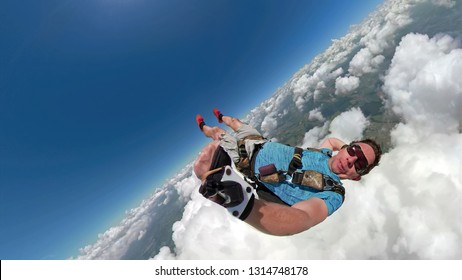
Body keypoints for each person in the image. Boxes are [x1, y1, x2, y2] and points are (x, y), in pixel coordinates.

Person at [194, 109, 382, 236]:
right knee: (234, 122)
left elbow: (304, 218)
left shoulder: (333, 194)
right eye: (353, 151)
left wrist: (239, 202)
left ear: (356, 177)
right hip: (260, 141)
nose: (351, 160)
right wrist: (349, 150)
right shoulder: (324, 153)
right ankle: (221, 116)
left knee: (218, 134)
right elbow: (332, 141)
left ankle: (204, 127)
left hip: (246, 160)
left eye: (360, 164)